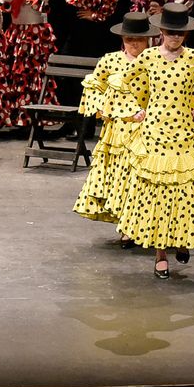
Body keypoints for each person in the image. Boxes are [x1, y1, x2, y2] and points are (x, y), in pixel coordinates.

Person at [112, 3, 194, 279]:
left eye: (179, 33)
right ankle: (160, 255)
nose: (175, 37)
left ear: (185, 35)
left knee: (184, 192)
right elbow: (119, 81)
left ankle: (181, 238)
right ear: (162, 32)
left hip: (184, 133)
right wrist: (133, 110)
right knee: (157, 192)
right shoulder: (149, 58)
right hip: (156, 134)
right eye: (170, 31)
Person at [70, 12, 151, 227]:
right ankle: (125, 224)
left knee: (142, 179)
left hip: (149, 130)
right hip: (118, 132)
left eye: (139, 39)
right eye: (129, 39)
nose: (134, 43)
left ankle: (140, 223)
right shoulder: (110, 60)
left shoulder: (155, 62)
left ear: (148, 40)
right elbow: (93, 86)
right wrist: (105, 107)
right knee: (121, 178)